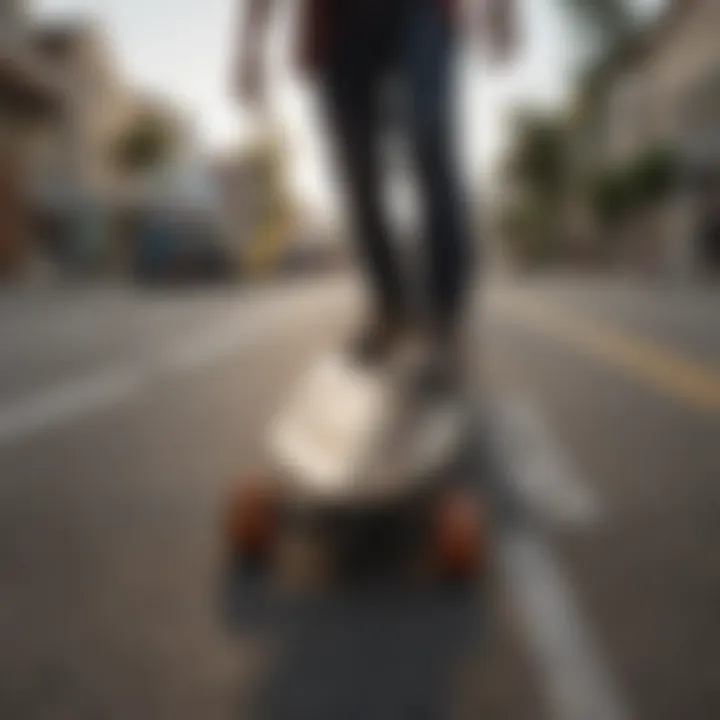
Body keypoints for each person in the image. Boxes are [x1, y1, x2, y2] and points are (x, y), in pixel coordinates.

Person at [237, 0, 518, 389]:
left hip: (421, 11)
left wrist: (504, 11)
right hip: (338, 20)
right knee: (358, 173)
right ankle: (392, 309)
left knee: (429, 134)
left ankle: (444, 319)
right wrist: (249, 46)